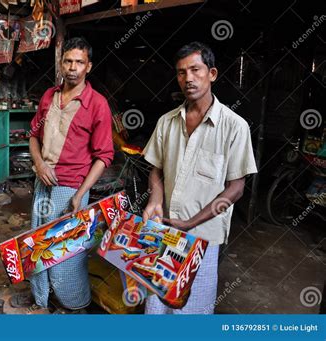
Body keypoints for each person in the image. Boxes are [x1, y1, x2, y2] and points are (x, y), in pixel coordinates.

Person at [142, 41, 257, 314]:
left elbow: (236, 188)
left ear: (212, 74)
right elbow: (156, 168)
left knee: (192, 309)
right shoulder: (166, 122)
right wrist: (155, 201)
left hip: (202, 239)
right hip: (166, 231)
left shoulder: (235, 127)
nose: (188, 78)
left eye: (196, 69)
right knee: (157, 303)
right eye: (182, 72)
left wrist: (191, 223)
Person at [13, 37, 114, 312]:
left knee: (66, 254)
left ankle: (75, 305)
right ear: (61, 64)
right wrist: (39, 165)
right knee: (38, 245)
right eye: (68, 61)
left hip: (71, 188)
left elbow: (104, 155)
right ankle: (43, 299)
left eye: (79, 62)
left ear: (88, 66)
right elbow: (34, 136)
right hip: (43, 182)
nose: (73, 67)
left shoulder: (97, 104)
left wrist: (81, 196)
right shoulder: (49, 96)